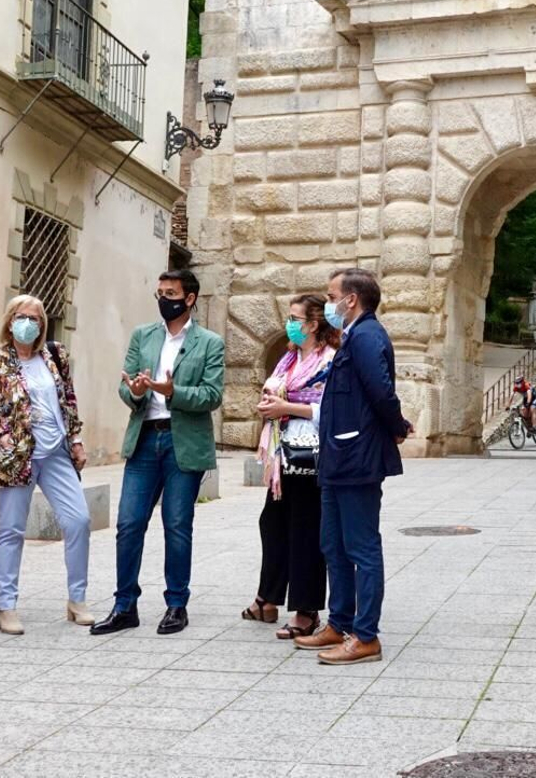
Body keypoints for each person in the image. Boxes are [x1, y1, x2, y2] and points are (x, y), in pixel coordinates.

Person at [91, 269, 225, 637]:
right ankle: (124, 605)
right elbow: (127, 388)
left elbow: (212, 395)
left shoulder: (210, 342)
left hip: (184, 443)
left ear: (190, 298)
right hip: (145, 440)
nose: (165, 299)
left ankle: (176, 604)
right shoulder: (143, 336)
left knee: (177, 525)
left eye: (171, 292)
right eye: (160, 293)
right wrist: (136, 390)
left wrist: (173, 391)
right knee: (129, 523)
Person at [295, 268, 411, 665]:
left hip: (356, 458)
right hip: (336, 459)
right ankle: (338, 623)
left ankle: (366, 636)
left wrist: (396, 428)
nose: (327, 304)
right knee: (334, 544)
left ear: (351, 300)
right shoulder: (353, 335)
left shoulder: (367, 336)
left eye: (331, 296)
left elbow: (381, 391)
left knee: (361, 547)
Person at [0, 295, 91, 635]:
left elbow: (68, 399)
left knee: (79, 520)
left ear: (43, 324)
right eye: (22, 317)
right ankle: (6, 607)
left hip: (56, 453)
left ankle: (77, 599)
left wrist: (77, 440)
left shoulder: (54, 356)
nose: (29, 323)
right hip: (16, 456)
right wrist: (0, 436)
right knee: (11, 530)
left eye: (35, 318)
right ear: (10, 321)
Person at [244, 294, 338, 639]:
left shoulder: (329, 361)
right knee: (272, 523)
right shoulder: (288, 359)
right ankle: (267, 597)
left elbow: (327, 410)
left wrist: (286, 405)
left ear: (313, 325)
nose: (290, 324)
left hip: (310, 455)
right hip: (283, 453)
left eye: (296, 318)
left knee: (306, 532)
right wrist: (271, 405)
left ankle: (306, 609)